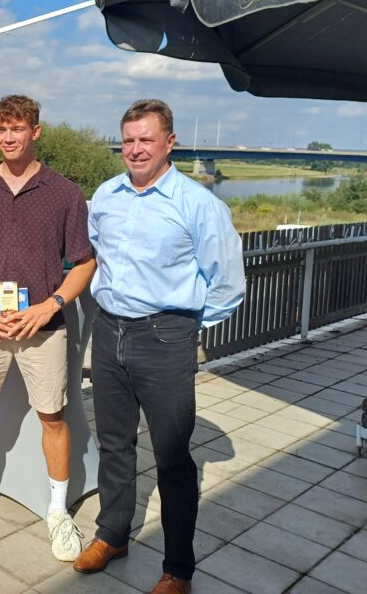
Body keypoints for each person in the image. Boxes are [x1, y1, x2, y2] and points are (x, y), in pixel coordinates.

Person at [74, 99, 245, 594]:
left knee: (171, 456)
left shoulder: (198, 204)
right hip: (109, 331)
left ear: (170, 143)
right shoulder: (106, 195)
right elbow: (93, 254)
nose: (135, 149)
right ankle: (112, 535)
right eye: (128, 140)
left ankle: (177, 569)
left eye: (146, 139)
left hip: (166, 337)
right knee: (114, 443)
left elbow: (228, 282)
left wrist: (183, 326)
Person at [0, 94, 97, 561]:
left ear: (35, 132)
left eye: (18, 128)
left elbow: (84, 263)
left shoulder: (64, 193)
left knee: (53, 417)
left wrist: (50, 306)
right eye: (2, 129)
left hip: (43, 328)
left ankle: (57, 511)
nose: (8, 138)